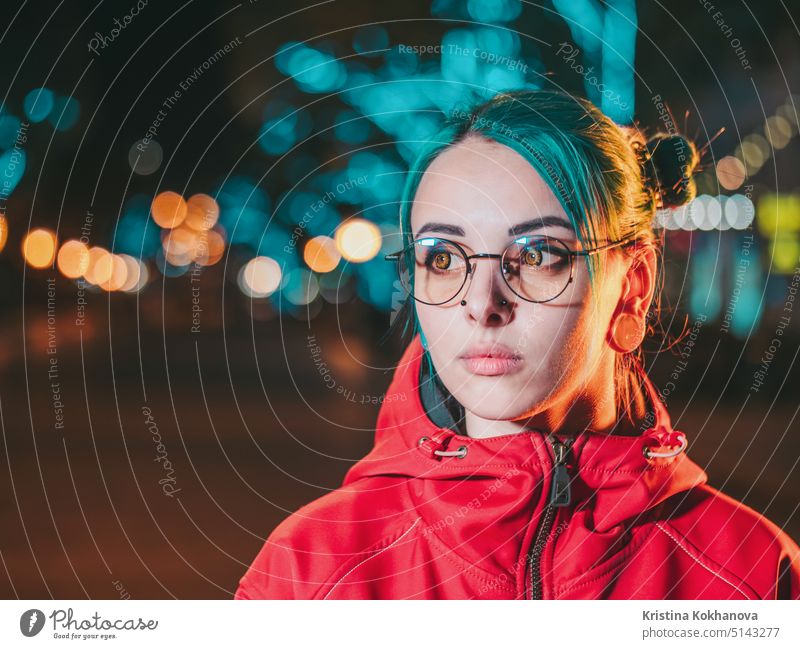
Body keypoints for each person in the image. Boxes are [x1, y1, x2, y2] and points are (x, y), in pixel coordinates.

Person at [235, 89, 800, 599]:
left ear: (631, 288)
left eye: (535, 255)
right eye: (442, 258)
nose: (483, 304)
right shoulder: (311, 572)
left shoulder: (749, 576)